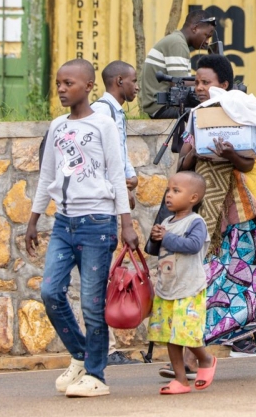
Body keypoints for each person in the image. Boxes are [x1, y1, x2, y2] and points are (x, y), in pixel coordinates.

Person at [25, 59, 137, 398]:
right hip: (63, 223)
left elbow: (116, 175)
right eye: (59, 83)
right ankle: (81, 354)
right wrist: (33, 219)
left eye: (68, 83)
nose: (61, 89)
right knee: (50, 292)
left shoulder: (104, 124)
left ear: (88, 86)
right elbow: (47, 175)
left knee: (91, 303)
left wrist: (126, 223)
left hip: (97, 224)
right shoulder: (57, 126)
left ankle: (96, 375)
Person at [177, 53, 256, 374]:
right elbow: (182, 166)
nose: (199, 87)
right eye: (196, 81)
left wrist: (229, 153)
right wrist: (193, 151)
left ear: (224, 85)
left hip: (245, 210)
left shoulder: (242, 113)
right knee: (208, 278)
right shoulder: (197, 118)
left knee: (254, 275)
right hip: (212, 215)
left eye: (206, 82)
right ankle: (194, 355)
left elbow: (247, 162)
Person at [90, 60, 142, 367]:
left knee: (105, 277)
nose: (137, 86)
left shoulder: (115, 112)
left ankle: (106, 349)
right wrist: (121, 185)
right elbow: (102, 161)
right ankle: (104, 350)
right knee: (100, 279)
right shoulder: (102, 111)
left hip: (113, 202)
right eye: (133, 81)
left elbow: (120, 156)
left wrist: (130, 181)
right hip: (101, 207)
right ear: (119, 81)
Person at [147, 171, 217, 395]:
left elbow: (193, 246)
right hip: (167, 289)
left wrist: (166, 237)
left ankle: (205, 359)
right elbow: (156, 250)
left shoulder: (196, 222)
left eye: (176, 191)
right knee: (170, 336)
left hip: (189, 288)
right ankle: (180, 380)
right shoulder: (166, 222)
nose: (169, 195)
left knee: (186, 334)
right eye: (168, 190)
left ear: (193, 198)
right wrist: (155, 238)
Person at [139, 9, 215, 119]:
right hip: (161, 108)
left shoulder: (178, 41)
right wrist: (212, 85)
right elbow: (180, 84)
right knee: (211, 113)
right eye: (206, 36)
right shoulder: (177, 43)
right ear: (195, 28)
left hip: (161, 106)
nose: (207, 41)